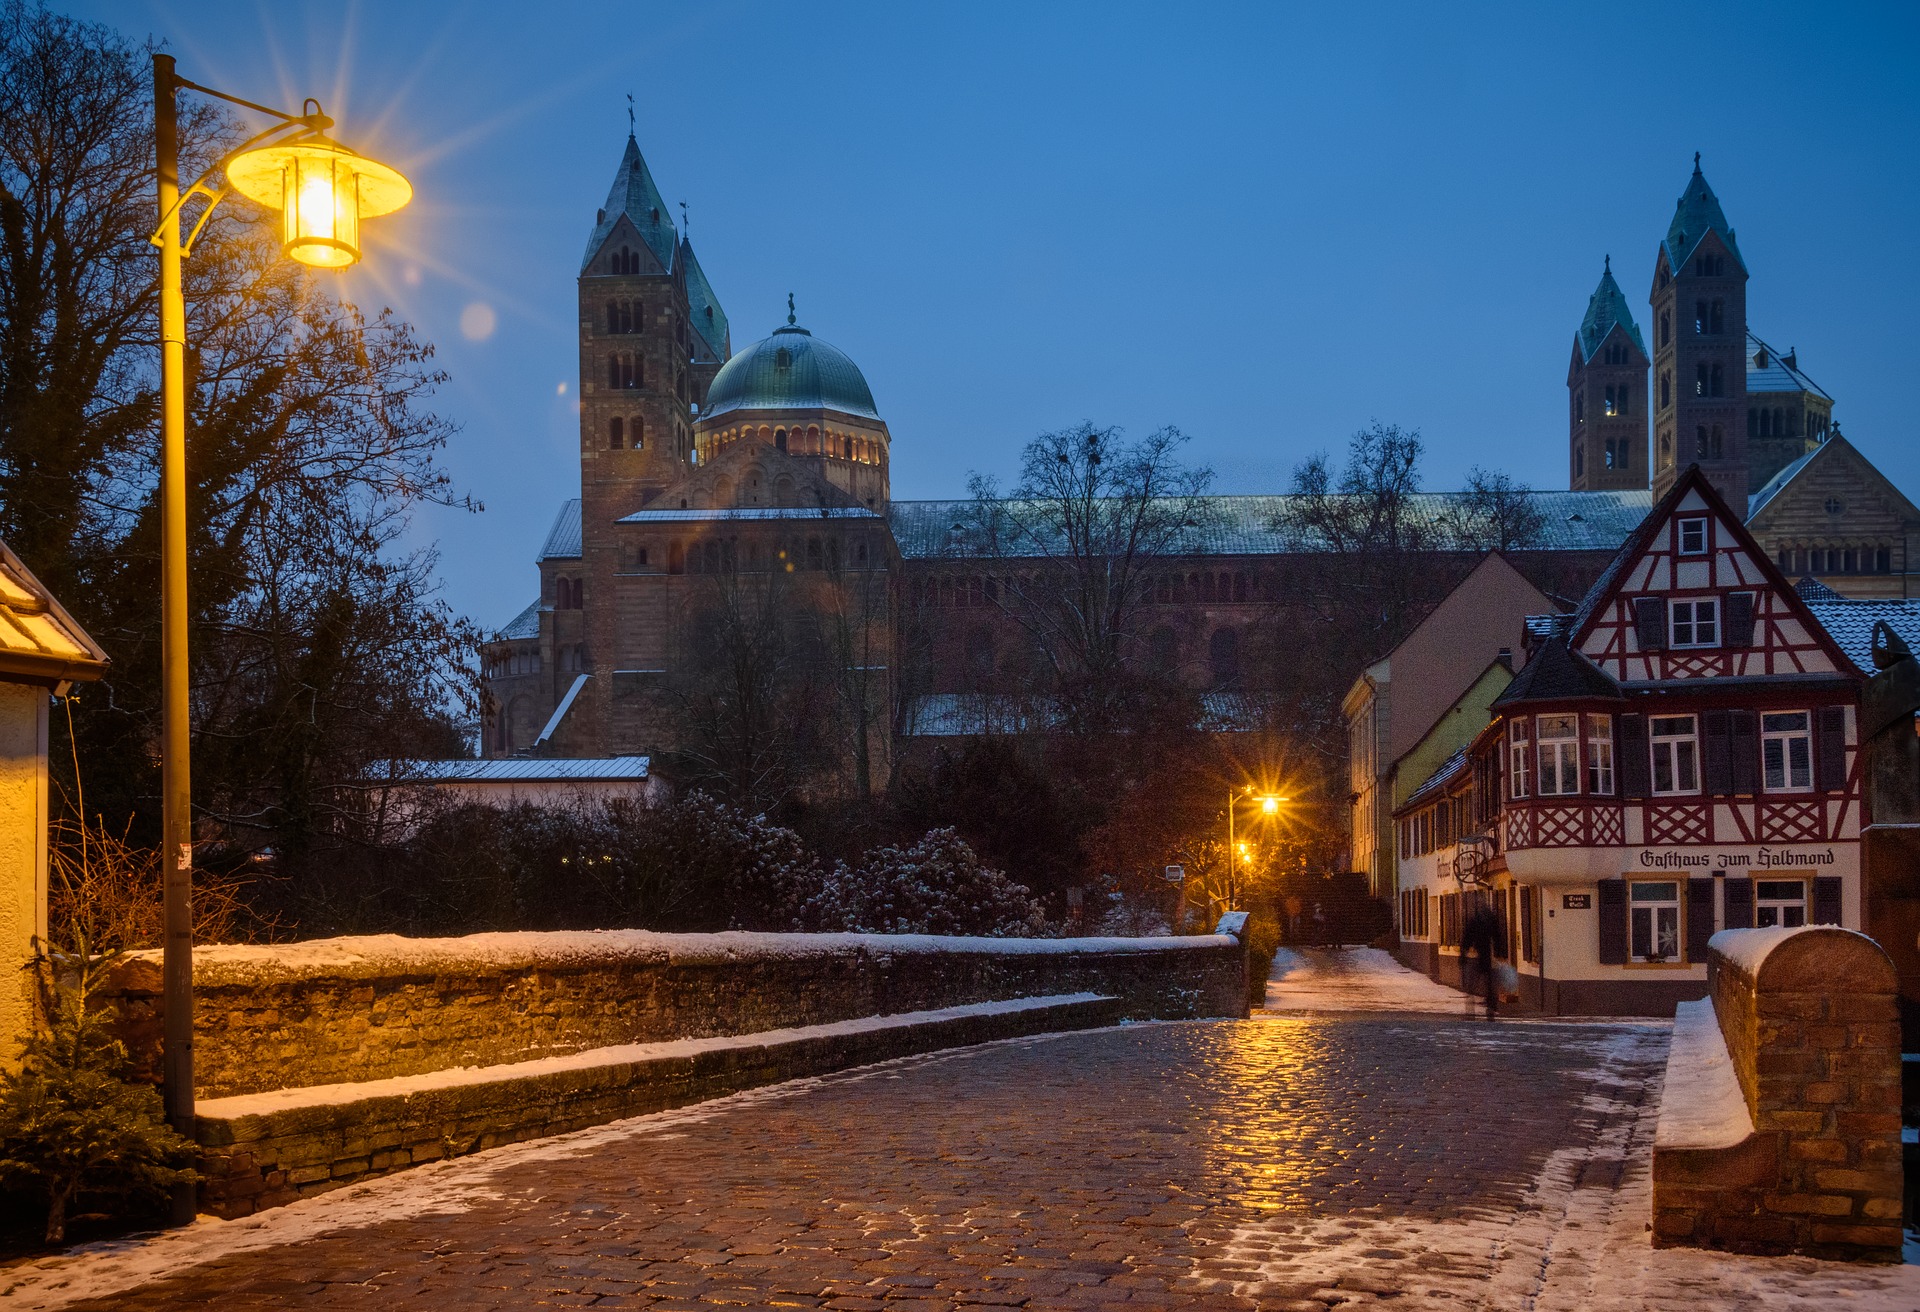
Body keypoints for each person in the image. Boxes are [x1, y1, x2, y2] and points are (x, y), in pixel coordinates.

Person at [1460, 902, 1501, 1021]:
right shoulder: (1491, 920)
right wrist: (1499, 952)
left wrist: (1463, 954)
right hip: (1487, 956)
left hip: (1477, 956)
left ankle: (1471, 1009)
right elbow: (1497, 937)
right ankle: (1490, 1008)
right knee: (1489, 984)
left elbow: (1467, 937)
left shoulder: (1475, 921)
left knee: (1473, 983)